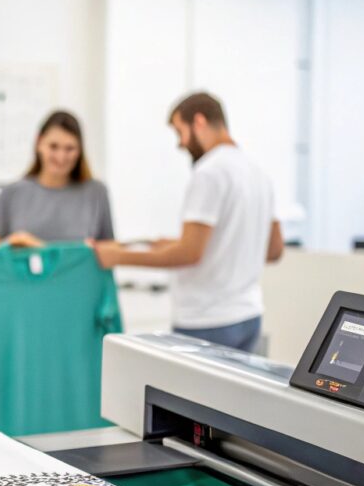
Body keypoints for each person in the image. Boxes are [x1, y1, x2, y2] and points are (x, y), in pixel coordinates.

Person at [94, 92, 283, 353]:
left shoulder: (209, 172)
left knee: (194, 395)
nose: (180, 144)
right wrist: (173, 244)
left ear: (199, 122)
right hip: (248, 317)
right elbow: (273, 250)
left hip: (207, 320)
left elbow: (190, 253)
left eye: (179, 132)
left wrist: (117, 256)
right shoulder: (258, 173)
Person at [0, 110, 114, 250]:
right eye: (53, 146)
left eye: (70, 148)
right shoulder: (11, 193)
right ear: (39, 143)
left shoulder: (96, 192)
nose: (61, 157)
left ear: (80, 150)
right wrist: (14, 242)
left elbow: (110, 250)